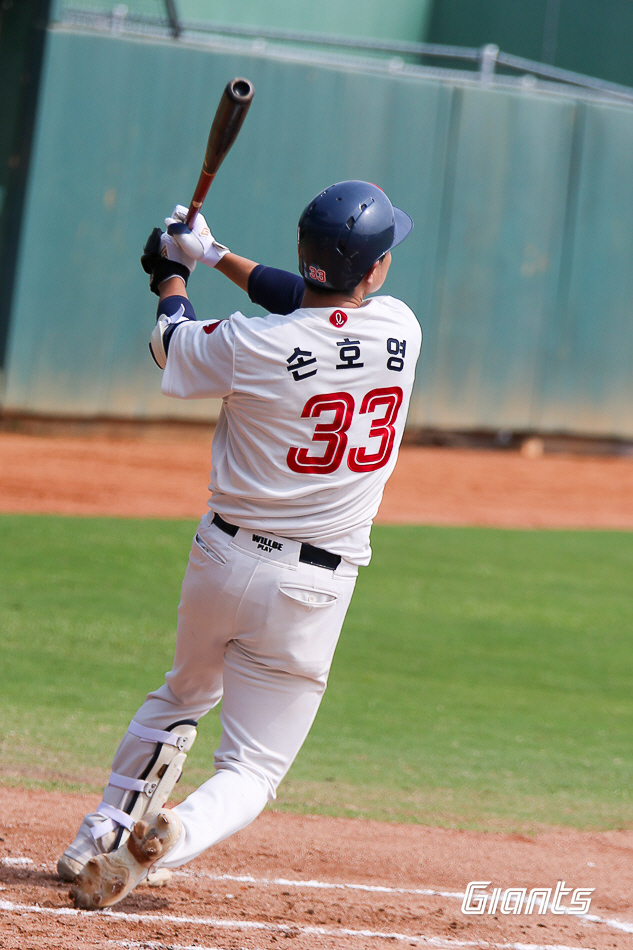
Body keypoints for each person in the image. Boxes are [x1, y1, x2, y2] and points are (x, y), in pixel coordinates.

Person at [62, 180, 422, 910]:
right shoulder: (400, 328)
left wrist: (174, 272)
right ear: (374, 270)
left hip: (222, 561)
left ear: (304, 249)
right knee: (252, 767)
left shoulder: (250, 343)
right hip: (314, 588)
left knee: (181, 695)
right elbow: (314, 301)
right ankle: (174, 830)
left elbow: (172, 342)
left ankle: (101, 831)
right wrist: (215, 253)